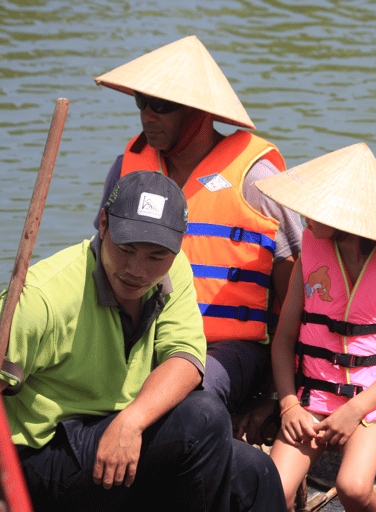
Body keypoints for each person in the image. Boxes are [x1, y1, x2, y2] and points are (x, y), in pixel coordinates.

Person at [0, 171, 286, 512]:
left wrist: (132, 421)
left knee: (255, 471)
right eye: (126, 249)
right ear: (103, 224)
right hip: (42, 459)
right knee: (204, 418)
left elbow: (185, 358)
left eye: (156, 256)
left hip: (115, 429)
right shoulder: (40, 299)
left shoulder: (173, 269)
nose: (137, 270)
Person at [92, 36, 303, 435]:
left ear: (200, 113)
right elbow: (95, 262)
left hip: (229, 348)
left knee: (189, 404)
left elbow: (296, 289)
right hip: (141, 338)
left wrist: (280, 395)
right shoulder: (128, 171)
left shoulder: (257, 178)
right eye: (142, 101)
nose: (147, 116)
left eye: (162, 106)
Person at [254, 143, 376, 512]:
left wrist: (354, 411)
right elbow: (284, 339)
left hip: (375, 403)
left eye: (316, 210)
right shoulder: (310, 256)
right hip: (311, 400)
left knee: (352, 487)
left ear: (348, 216)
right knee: (272, 492)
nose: (304, 218)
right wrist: (288, 404)